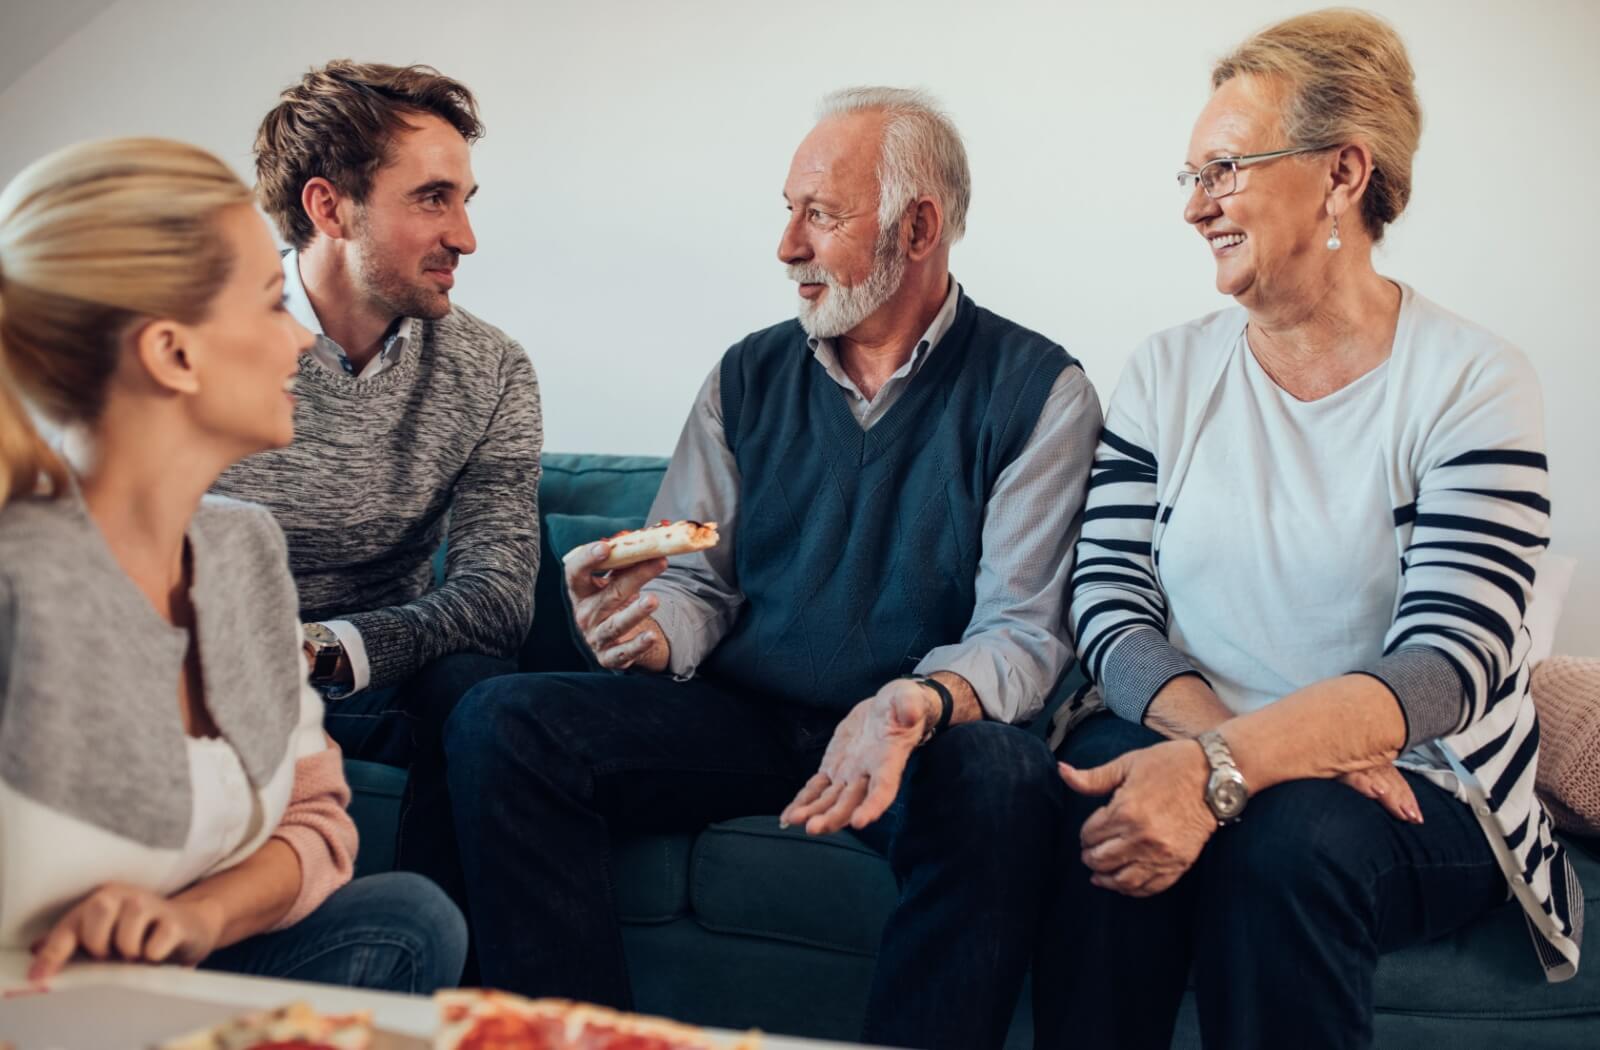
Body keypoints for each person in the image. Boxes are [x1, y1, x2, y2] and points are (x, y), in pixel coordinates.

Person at [443, 87, 1102, 1049]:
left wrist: (913, 705)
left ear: (919, 227)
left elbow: (1021, 631)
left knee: (1003, 778)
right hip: (745, 718)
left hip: (907, 733)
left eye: (820, 216)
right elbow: (694, 576)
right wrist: (646, 628)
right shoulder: (745, 375)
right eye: (788, 210)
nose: (787, 245)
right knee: (499, 721)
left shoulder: (1039, 391)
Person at [1044, 11, 1580, 1049]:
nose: (1196, 207)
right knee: (1097, 814)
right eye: (1189, 177)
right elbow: (1106, 598)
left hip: (1421, 774)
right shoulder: (1166, 370)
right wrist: (1226, 756)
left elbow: (1447, 663)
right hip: (1191, 726)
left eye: (1225, 170)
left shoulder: (1473, 380)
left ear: (1341, 174)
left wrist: (1245, 774)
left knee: (1283, 844)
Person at [0, 138, 465, 991]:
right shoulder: (19, 582)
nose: (298, 339)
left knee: (410, 918)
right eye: (267, 302)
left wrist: (193, 918)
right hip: (31, 1005)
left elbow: (315, 816)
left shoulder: (239, 549)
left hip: (165, 973)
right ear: (173, 353)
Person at [209, 61, 543, 902]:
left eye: (466, 200)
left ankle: (449, 1000)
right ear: (328, 206)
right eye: (433, 199)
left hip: (370, 682)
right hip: (206, 672)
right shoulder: (198, 344)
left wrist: (336, 649)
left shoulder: (491, 369)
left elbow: (500, 595)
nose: (465, 236)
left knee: (484, 693)